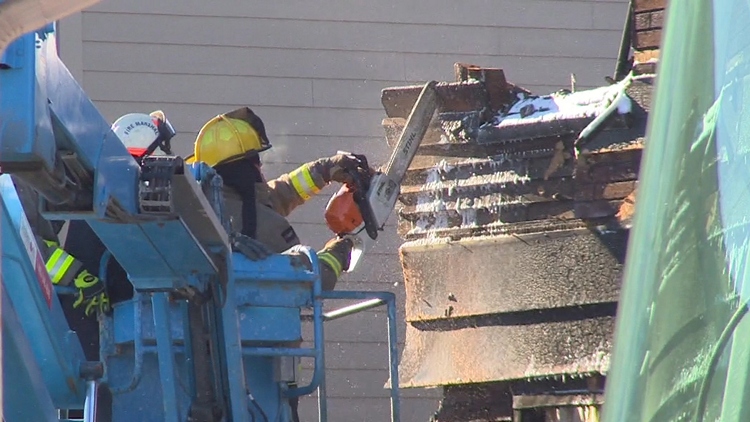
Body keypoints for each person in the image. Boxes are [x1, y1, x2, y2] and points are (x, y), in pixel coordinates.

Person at [186, 107, 371, 291]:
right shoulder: (261, 223)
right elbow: (309, 280)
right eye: (257, 160)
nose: (261, 167)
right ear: (248, 168)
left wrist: (324, 169)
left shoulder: (213, 210)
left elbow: (282, 191)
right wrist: (340, 250)